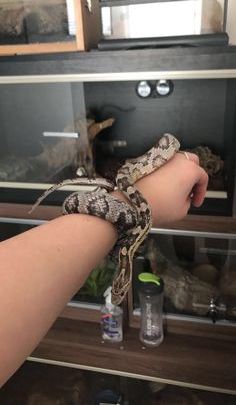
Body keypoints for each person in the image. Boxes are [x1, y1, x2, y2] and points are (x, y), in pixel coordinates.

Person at [0, 151, 208, 386]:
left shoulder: (125, 252)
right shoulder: (126, 250)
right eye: (121, 291)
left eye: (118, 291)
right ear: (125, 279)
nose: (118, 295)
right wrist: (148, 199)